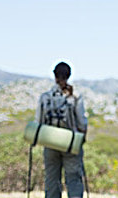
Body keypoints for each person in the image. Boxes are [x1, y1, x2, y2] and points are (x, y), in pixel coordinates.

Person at [35, 62, 87, 198]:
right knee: (73, 179)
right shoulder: (75, 97)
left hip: (50, 142)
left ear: (54, 75)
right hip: (70, 143)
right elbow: (82, 122)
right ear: (69, 75)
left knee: (52, 179)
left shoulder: (45, 97)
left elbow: (38, 122)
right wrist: (81, 139)